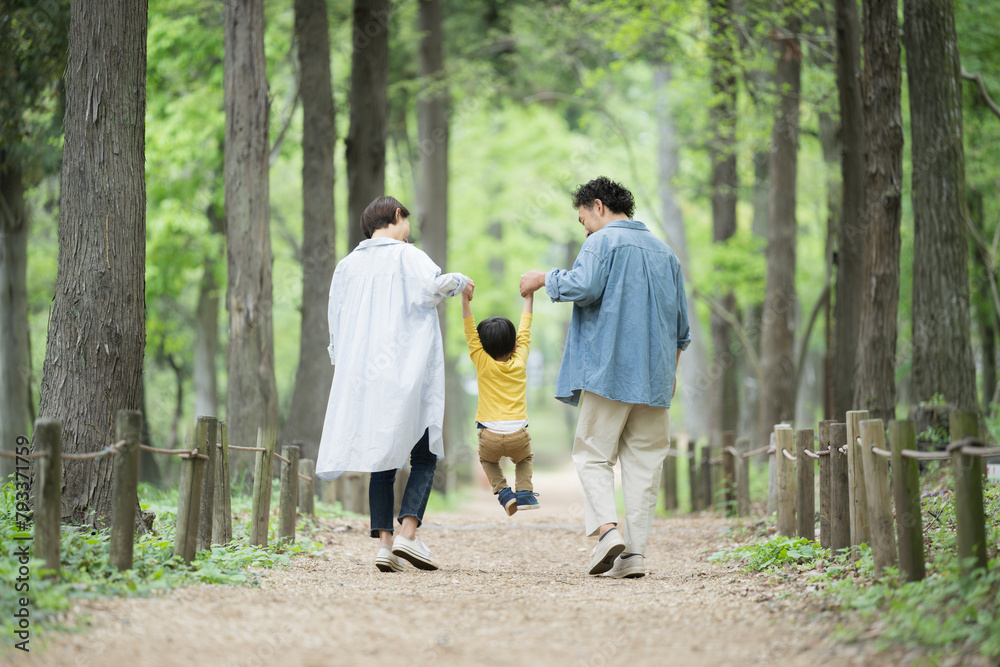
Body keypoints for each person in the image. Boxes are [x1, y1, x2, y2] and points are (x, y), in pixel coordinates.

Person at [519, 176, 690, 579]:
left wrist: (544, 279)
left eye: (583, 220)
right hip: (655, 379)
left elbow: (585, 285)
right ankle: (635, 555)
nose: (584, 229)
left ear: (598, 206)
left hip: (609, 371)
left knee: (592, 454)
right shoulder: (667, 254)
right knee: (645, 465)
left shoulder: (601, 242)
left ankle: (608, 532)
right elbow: (682, 329)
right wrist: (671, 374)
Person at [316, 195, 474, 573]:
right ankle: (408, 534)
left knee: (380, 456)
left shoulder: (346, 266)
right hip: (409, 369)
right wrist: (461, 281)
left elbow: (334, 322)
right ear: (397, 216)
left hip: (366, 376)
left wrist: (345, 365)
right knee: (424, 454)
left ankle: (384, 545)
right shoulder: (409, 255)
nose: (408, 232)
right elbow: (432, 288)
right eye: (407, 222)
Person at [462, 290, 539, 515]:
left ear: (483, 347)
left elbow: (470, 332)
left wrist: (464, 300)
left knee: (487, 460)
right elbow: (526, 330)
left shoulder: (481, 360)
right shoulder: (520, 359)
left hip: (490, 436)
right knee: (524, 459)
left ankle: (504, 492)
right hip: (518, 433)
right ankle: (524, 492)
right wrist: (529, 297)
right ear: (514, 346)